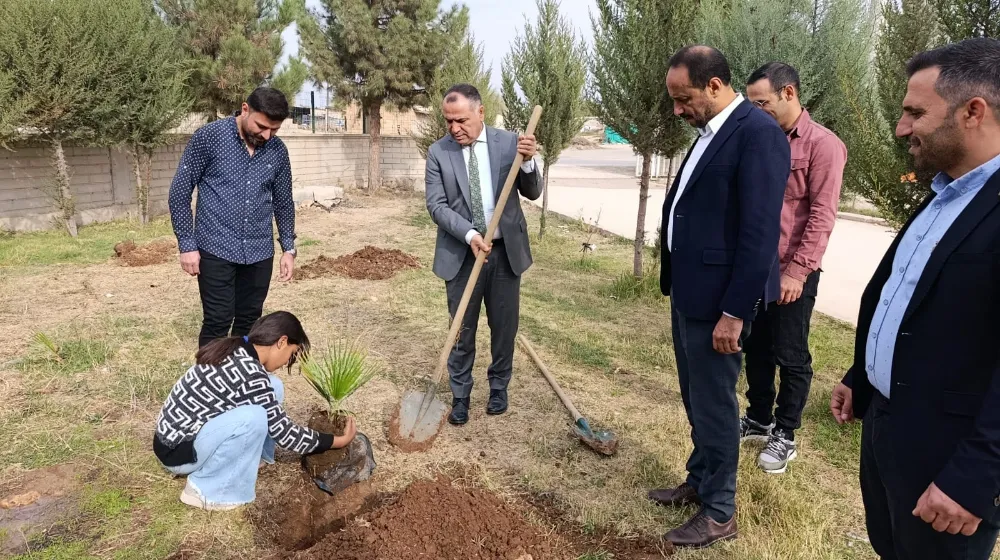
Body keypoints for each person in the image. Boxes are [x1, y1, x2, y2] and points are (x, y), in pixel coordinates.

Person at [830, 38, 1000, 559]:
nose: (902, 127)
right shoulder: (946, 193)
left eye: (914, 112)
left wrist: (976, 476)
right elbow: (907, 299)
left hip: (950, 462)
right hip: (889, 427)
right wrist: (862, 375)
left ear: (973, 111)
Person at [647, 45, 789, 548]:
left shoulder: (758, 134)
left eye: (683, 99)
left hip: (720, 305)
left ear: (714, 86)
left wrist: (734, 312)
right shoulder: (711, 133)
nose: (677, 110)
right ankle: (701, 477)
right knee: (696, 397)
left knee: (715, 406)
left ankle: (720, 511)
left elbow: (757, 234)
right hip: (690, 295)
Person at [741, 62, 847, 474]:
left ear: (788, 94)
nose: (756, 110)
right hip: (757, 267)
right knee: (757, 346)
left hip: (791, 271)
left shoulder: (823, 145)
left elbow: (822, 215)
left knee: (790, 352)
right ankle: (758, 417)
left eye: (762, 102)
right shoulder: (759, 140)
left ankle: (784, 432)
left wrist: (798, 272)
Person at [153, 311, 357, 510]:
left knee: (273, 386)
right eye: (291, 354)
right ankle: (205, 492)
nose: (287, 361)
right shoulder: (249, 372)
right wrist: (338, 441)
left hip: (178, 440)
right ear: (282, 342)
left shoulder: (238, 348)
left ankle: (255, 458)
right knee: (254, 417)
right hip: (179, 454)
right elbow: (285, 434)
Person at [424, 83, 540, 425]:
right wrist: (471, 233)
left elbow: (532, 192)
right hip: (462, 253)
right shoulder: (438, 152)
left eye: (461, 120)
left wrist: (530, 163)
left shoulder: (509, 144)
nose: (454, 128)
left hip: (505, 253)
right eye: (448, 121)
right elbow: (436, 205)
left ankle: (499, 387)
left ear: (480, 112)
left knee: (504, 327)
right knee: (461, 328)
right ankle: (460, 395)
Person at [168, 87, 298, 349]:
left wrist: (288, 248)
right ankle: (208, 380)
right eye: (261, 127)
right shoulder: (210, 138)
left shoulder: (277, 151)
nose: (266, 135)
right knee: (218, 320)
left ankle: (240, 379)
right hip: (215, 247)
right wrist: (187, 245)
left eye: (274, 130)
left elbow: (283, 202)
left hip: (259, 252)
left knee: (251, 322)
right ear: (245, 109)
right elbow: (180, 192)